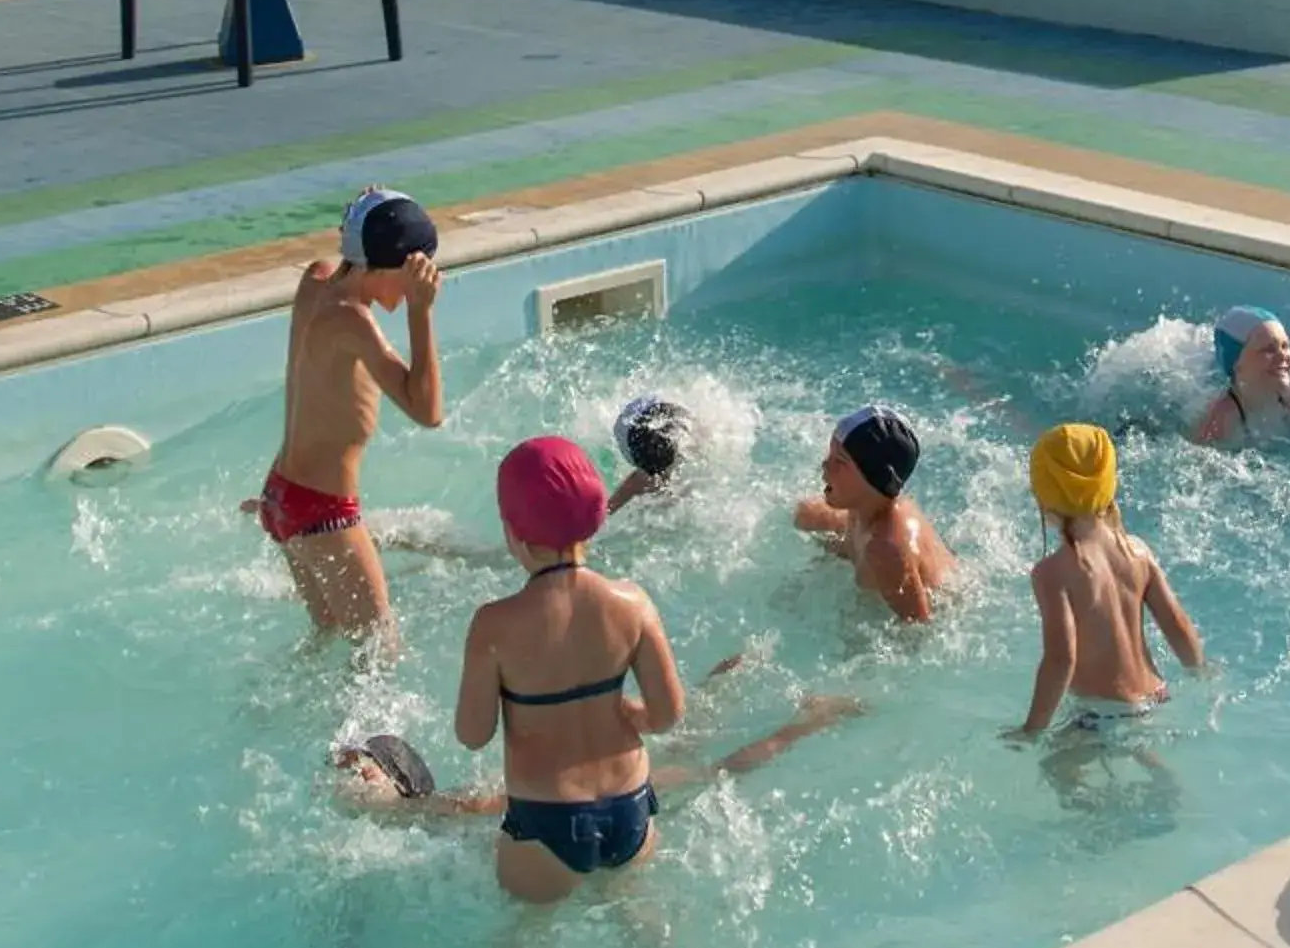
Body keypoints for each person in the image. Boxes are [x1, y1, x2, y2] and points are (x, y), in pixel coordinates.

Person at [455, 437, 686, 900]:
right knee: (645, 928)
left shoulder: (494, 624)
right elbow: (667, 716)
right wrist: (629, 713)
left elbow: (473, 734)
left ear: (513, 531)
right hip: (632, 808)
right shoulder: (632, 603)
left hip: (546, 821)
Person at [245, 187, 443, 643]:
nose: (424, 280)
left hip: (280, 496)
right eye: (417, 271)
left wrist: (368, 214)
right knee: (380, 652)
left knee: (329, 636)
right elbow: (428, 411)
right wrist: (420, 311)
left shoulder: (316, 282)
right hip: (324, 513)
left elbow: (339, 255)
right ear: (393, 264)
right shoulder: (353, 322)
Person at [333, 692, 866, 824]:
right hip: (583, 786)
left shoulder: (435, 810)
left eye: (364, 769)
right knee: (683, 753)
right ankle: (720, 690)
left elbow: (495, 804)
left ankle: (806, 723)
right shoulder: (416, 820)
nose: (353, 777)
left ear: (400, 782)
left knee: (712, 769)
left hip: (592, 793)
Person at [1010, 424, 1205, 742]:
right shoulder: (1138, 551)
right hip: (1155, 695)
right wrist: (1200, 670)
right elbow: (1175, 622)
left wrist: (1032, 729)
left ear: (1044, 493)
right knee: (1144, 757)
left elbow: (1061, 658)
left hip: (1101, 713)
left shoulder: (1052, 572)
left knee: (1060, 773)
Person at [795, 405, 954, 624]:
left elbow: (919, 629)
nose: (825, 465)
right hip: (878, 565)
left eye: (839, 462)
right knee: (806, 515)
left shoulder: (886, 549)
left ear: (875, 479)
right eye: (829, 455)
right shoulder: (864, 508)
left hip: (942, 610)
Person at [1190, 305, 1290, 448]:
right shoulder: (1221, 418)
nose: (1283, 355)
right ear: (1236, 363)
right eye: (1269, 349)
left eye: (1285, 346)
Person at [608, 395, 696, 515]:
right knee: (654, 485)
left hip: (656, 407)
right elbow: (611, 505)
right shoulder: (646, 473)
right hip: (628, 429)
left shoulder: (688, 437)